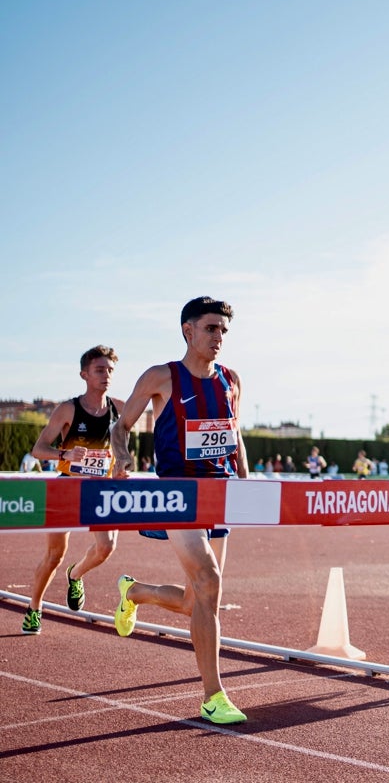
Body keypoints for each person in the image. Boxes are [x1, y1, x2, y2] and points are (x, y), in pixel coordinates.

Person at [109, 296, 249, 725]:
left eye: (223, 330)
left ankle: (134, 592)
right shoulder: (161, 377)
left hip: (220, 497)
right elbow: (120, 426)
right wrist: (123, 460)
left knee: (197, 601)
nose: (219, 337)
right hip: (177, 496)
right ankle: (213, 696)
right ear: (188, 330)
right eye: (211, 329)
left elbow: (235, 434)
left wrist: (247, 482)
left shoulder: (231, 379)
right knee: (209, 581)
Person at [21, 346, 124, 635]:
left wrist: (123, 463)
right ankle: (34, 607)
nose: (107, 375)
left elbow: (125, 445)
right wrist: (65, 456)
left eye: (110, 370)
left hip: (101, 489)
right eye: (100, 370)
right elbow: (39, 450)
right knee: (55, 554)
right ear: (84, 374)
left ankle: (75, 574)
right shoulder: (68, 409)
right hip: (67, 487)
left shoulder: (120, 408)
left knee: (106, 547)